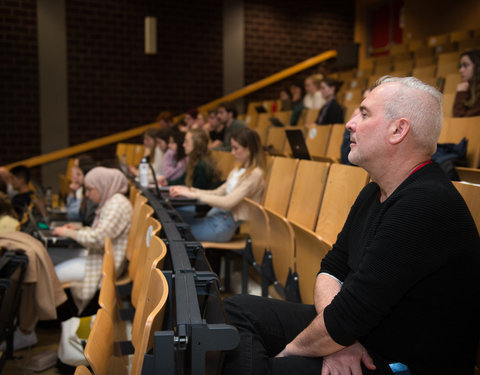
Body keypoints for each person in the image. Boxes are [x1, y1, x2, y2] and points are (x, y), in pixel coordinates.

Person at [222, 76, 480, 375]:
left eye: (365, 113)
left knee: (273, 364)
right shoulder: (376, 188)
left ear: (398, 130)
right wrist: (342, 341)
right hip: (364, 336)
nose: (350, 123)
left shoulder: (425, 204)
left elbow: (348, 315)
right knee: (237, 310)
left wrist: (288, 352)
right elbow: (332, 267)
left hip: (400, 361)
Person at [53, 167, 132, 312]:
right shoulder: (112, 201)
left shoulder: (117, 204)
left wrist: (68, 233)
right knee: (51, 263)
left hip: (106, 264)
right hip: (101, 257)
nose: (87, 195)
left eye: (90, 189)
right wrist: (78, 230)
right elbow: (101, 233)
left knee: (54, 275)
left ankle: (50, 320)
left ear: (103, 185)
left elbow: (98, 239)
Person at [170, 127, 265, 243]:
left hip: (222, 225)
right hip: (215, 218)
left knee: (175, 233)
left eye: (236, 148)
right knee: (173, 222)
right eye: (232, 148)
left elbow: (228, 202)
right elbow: (218, 192)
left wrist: (194, 195)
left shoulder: (255, 174)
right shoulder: (238, 170)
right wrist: (190, 190)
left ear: (249, 149)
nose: (232, 152)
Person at [340, 87, 372, 165]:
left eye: (368, 99)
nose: (364, 102)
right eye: (363, 99)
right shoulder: (355, 117)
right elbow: (345, 159)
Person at [66, 155, 96, 225]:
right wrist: (72, 193)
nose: (72, 170)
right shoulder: (80, 188)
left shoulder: (90, 188)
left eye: (76, 167)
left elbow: (73, 215)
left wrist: (73, 194)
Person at [453, 48, 480, 117]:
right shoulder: (468, 89)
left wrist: (461, 93)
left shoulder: (464, 91)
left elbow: (460, 118)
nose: (460, 70)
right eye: (460, 66)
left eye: (465, 65)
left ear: (477, 67)